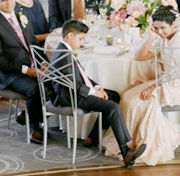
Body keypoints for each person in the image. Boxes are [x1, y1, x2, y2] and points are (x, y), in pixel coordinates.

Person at [50, 20, 147, 163]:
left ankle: (93, 136)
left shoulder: (63, 50)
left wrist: (96, 87)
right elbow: (75, 86)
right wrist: (93, 93)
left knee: (113, 96)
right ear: (70, 36)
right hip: (71, 96)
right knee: (112, 107)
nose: (82, 43)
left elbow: (81, 76)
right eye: (80, 39)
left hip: (75, 91)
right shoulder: (63, 56)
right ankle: (126, 151)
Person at [116, 6, 180, 166]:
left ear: (173, 24)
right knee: (128, 97)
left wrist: (155, 86)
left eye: (163, 28)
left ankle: (145, 145)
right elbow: (140, 57)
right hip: (166, 81)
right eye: (157, 28)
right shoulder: (162, 39)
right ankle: (129, 144)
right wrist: (151, 37)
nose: (160, 31)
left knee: (145, 99)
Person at [0, 0, 45, 145]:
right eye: (3, 0)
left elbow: (33, 44)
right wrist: (26, 70)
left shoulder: (22, 14)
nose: (9, 3)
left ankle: (28, 114)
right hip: (7, 73)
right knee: (35, 88)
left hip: (30, 66)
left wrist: (42, 63)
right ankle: (34, 127)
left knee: (56, 80)